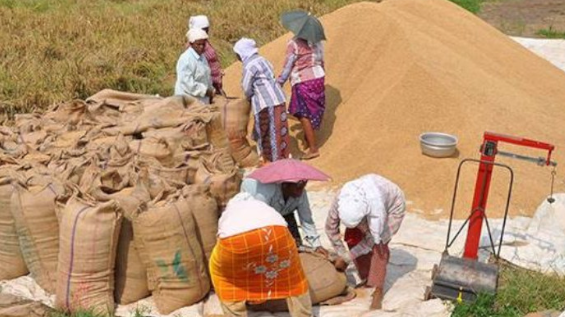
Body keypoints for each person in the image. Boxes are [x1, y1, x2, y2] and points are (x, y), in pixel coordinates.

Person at [209, 193, 313, 317]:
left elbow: (221, 236)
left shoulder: (229, 213)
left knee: (221, 273)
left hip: (235, 240)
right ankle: (303, 314)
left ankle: (234, 313)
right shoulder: (264, 207)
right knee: (293, 273)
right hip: (276, 234)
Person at [325, 174, 406, 310]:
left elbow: (372, 241)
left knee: (379, 245)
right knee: (353, 237)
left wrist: (348, 257)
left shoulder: (377, 211)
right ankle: (366, 276)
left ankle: (377, 288)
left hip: (393, 206)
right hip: (366, 205)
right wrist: (341, 253)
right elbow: (330, 227)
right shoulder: (340, 199)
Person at [240, 177, 328, 257]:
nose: (300, 192)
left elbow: (306, 219)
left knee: (295, 250)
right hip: (259, 217)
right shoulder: (265, 193)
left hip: (285, 213)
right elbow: (261, 220)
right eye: (298, 188)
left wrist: (316, 245)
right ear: (285, 185)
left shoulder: (301, 194)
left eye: (302, 187)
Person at [234, 38, 289, 163]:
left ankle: (269, 161)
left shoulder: (249, 66)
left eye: (237, 53)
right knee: (280, 129)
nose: (236, 56)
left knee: (266, 132)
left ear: (243, 52)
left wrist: (248, 98)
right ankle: (283, 159)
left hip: (264, 103)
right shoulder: (263, 60)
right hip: (279, 98)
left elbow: (247, 86)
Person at [277, 37, 325, 160]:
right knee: (313, 108)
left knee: (303, 114)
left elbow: (288, 65)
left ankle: (313, 148)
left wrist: (280, 81)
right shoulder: (317, 41)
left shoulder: (293, 44)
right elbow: (321, 60)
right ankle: (308, 138)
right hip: (318, 78)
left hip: (302, 80)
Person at [187, 15, 225, 96]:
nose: (206, 31)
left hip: (214, 84)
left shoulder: (205, 42)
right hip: (206, 87)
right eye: (204, 29)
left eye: (207, 29)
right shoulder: (195, 46)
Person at [174, 28, 214, 104]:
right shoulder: (186, 59)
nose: (201, 47)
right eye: (198, 44)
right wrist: (205, 91)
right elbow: (187, 83)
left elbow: (206, 77)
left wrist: (211, 89)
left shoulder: (203, 57)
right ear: (191, 44)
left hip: (201, 100)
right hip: (188, 101)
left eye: (203, 44)